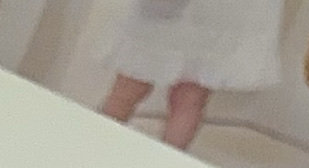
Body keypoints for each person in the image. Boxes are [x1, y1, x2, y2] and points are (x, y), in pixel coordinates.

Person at [99, 0, 285, 153]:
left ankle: (97, 149)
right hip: (221, 14)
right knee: (188, 96)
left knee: (131, 84)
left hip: (194, 14)